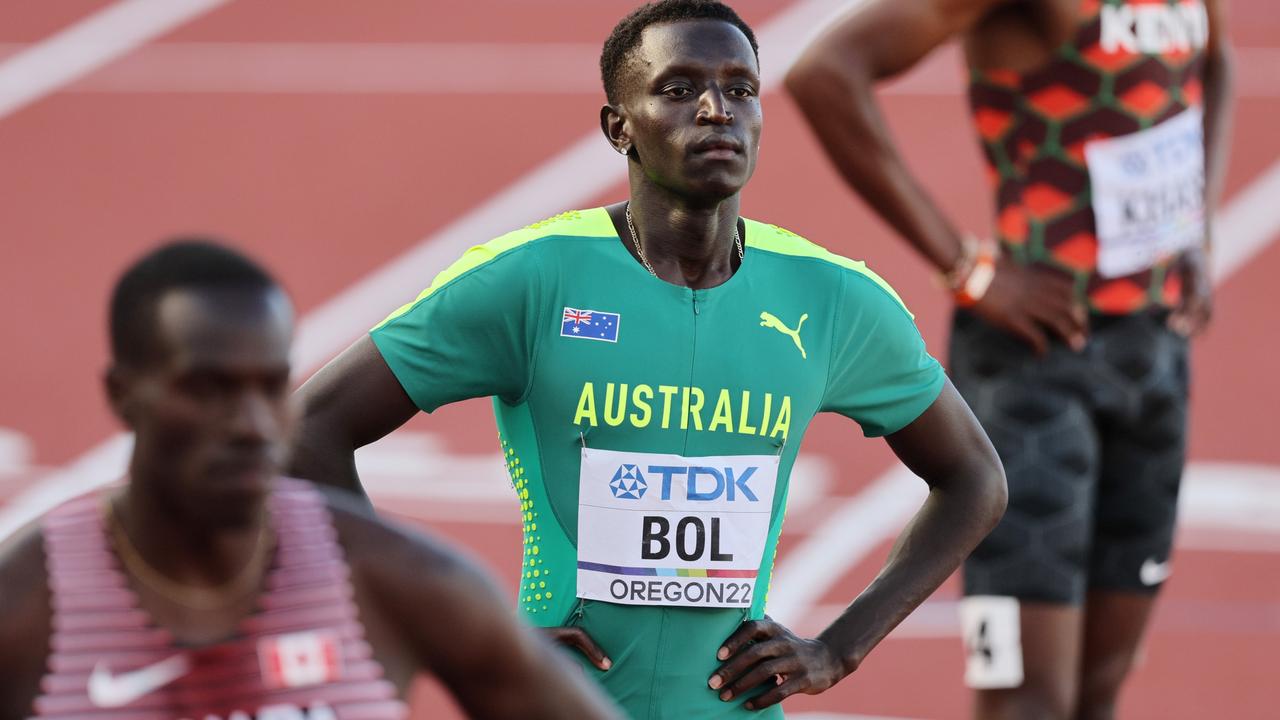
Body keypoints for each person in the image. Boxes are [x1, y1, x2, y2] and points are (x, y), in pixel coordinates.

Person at [289, 1, 1007, 717]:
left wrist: (839, 649)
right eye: (678, 89)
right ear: (618, 128)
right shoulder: (532, 279)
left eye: (740, 89)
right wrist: (443, 623)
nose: (716, 109)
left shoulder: (833, 298)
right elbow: (305, 429)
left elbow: (975, 477)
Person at [785, 0, 1232, 718]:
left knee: (1100, 693)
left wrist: (1199, 227)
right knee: (1027, 703)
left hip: (1155, 356)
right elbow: (823, 72)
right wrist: (968, 269)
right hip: (1035, 372)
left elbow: (1214, 61)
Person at [0, 241, 621, 720]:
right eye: (207, 389)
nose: (249, 424)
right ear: (123, 394)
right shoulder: (30, 604)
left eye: (270, 386)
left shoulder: (386, 580)